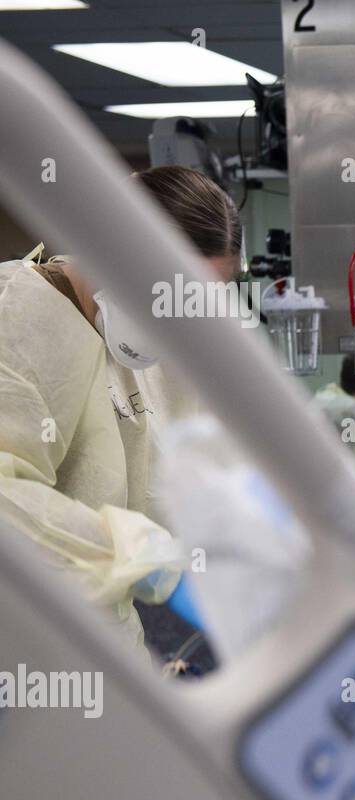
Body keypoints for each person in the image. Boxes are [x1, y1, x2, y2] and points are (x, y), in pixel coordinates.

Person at [0, 165, 242, 648]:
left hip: (109, 648)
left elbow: (183, 461)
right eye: (165, 293)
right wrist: (145, 557)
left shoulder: (152, 348)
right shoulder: (18, 317)